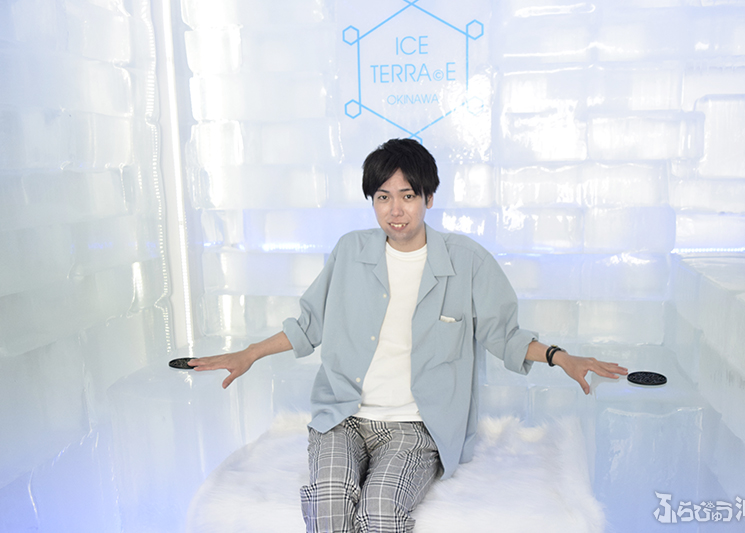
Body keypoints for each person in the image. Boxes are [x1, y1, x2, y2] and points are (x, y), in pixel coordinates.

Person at [189, 138, 628, 532]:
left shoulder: (468, 261)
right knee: (329, 505)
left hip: (415, 427)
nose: (395, 210)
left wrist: (561, 357)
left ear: (428, 198)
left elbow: (504, 335)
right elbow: (308, 325)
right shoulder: (350, 251)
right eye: (383, 197)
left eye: (407, 196)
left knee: (379, 512)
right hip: (342, 417)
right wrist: (248, 354)